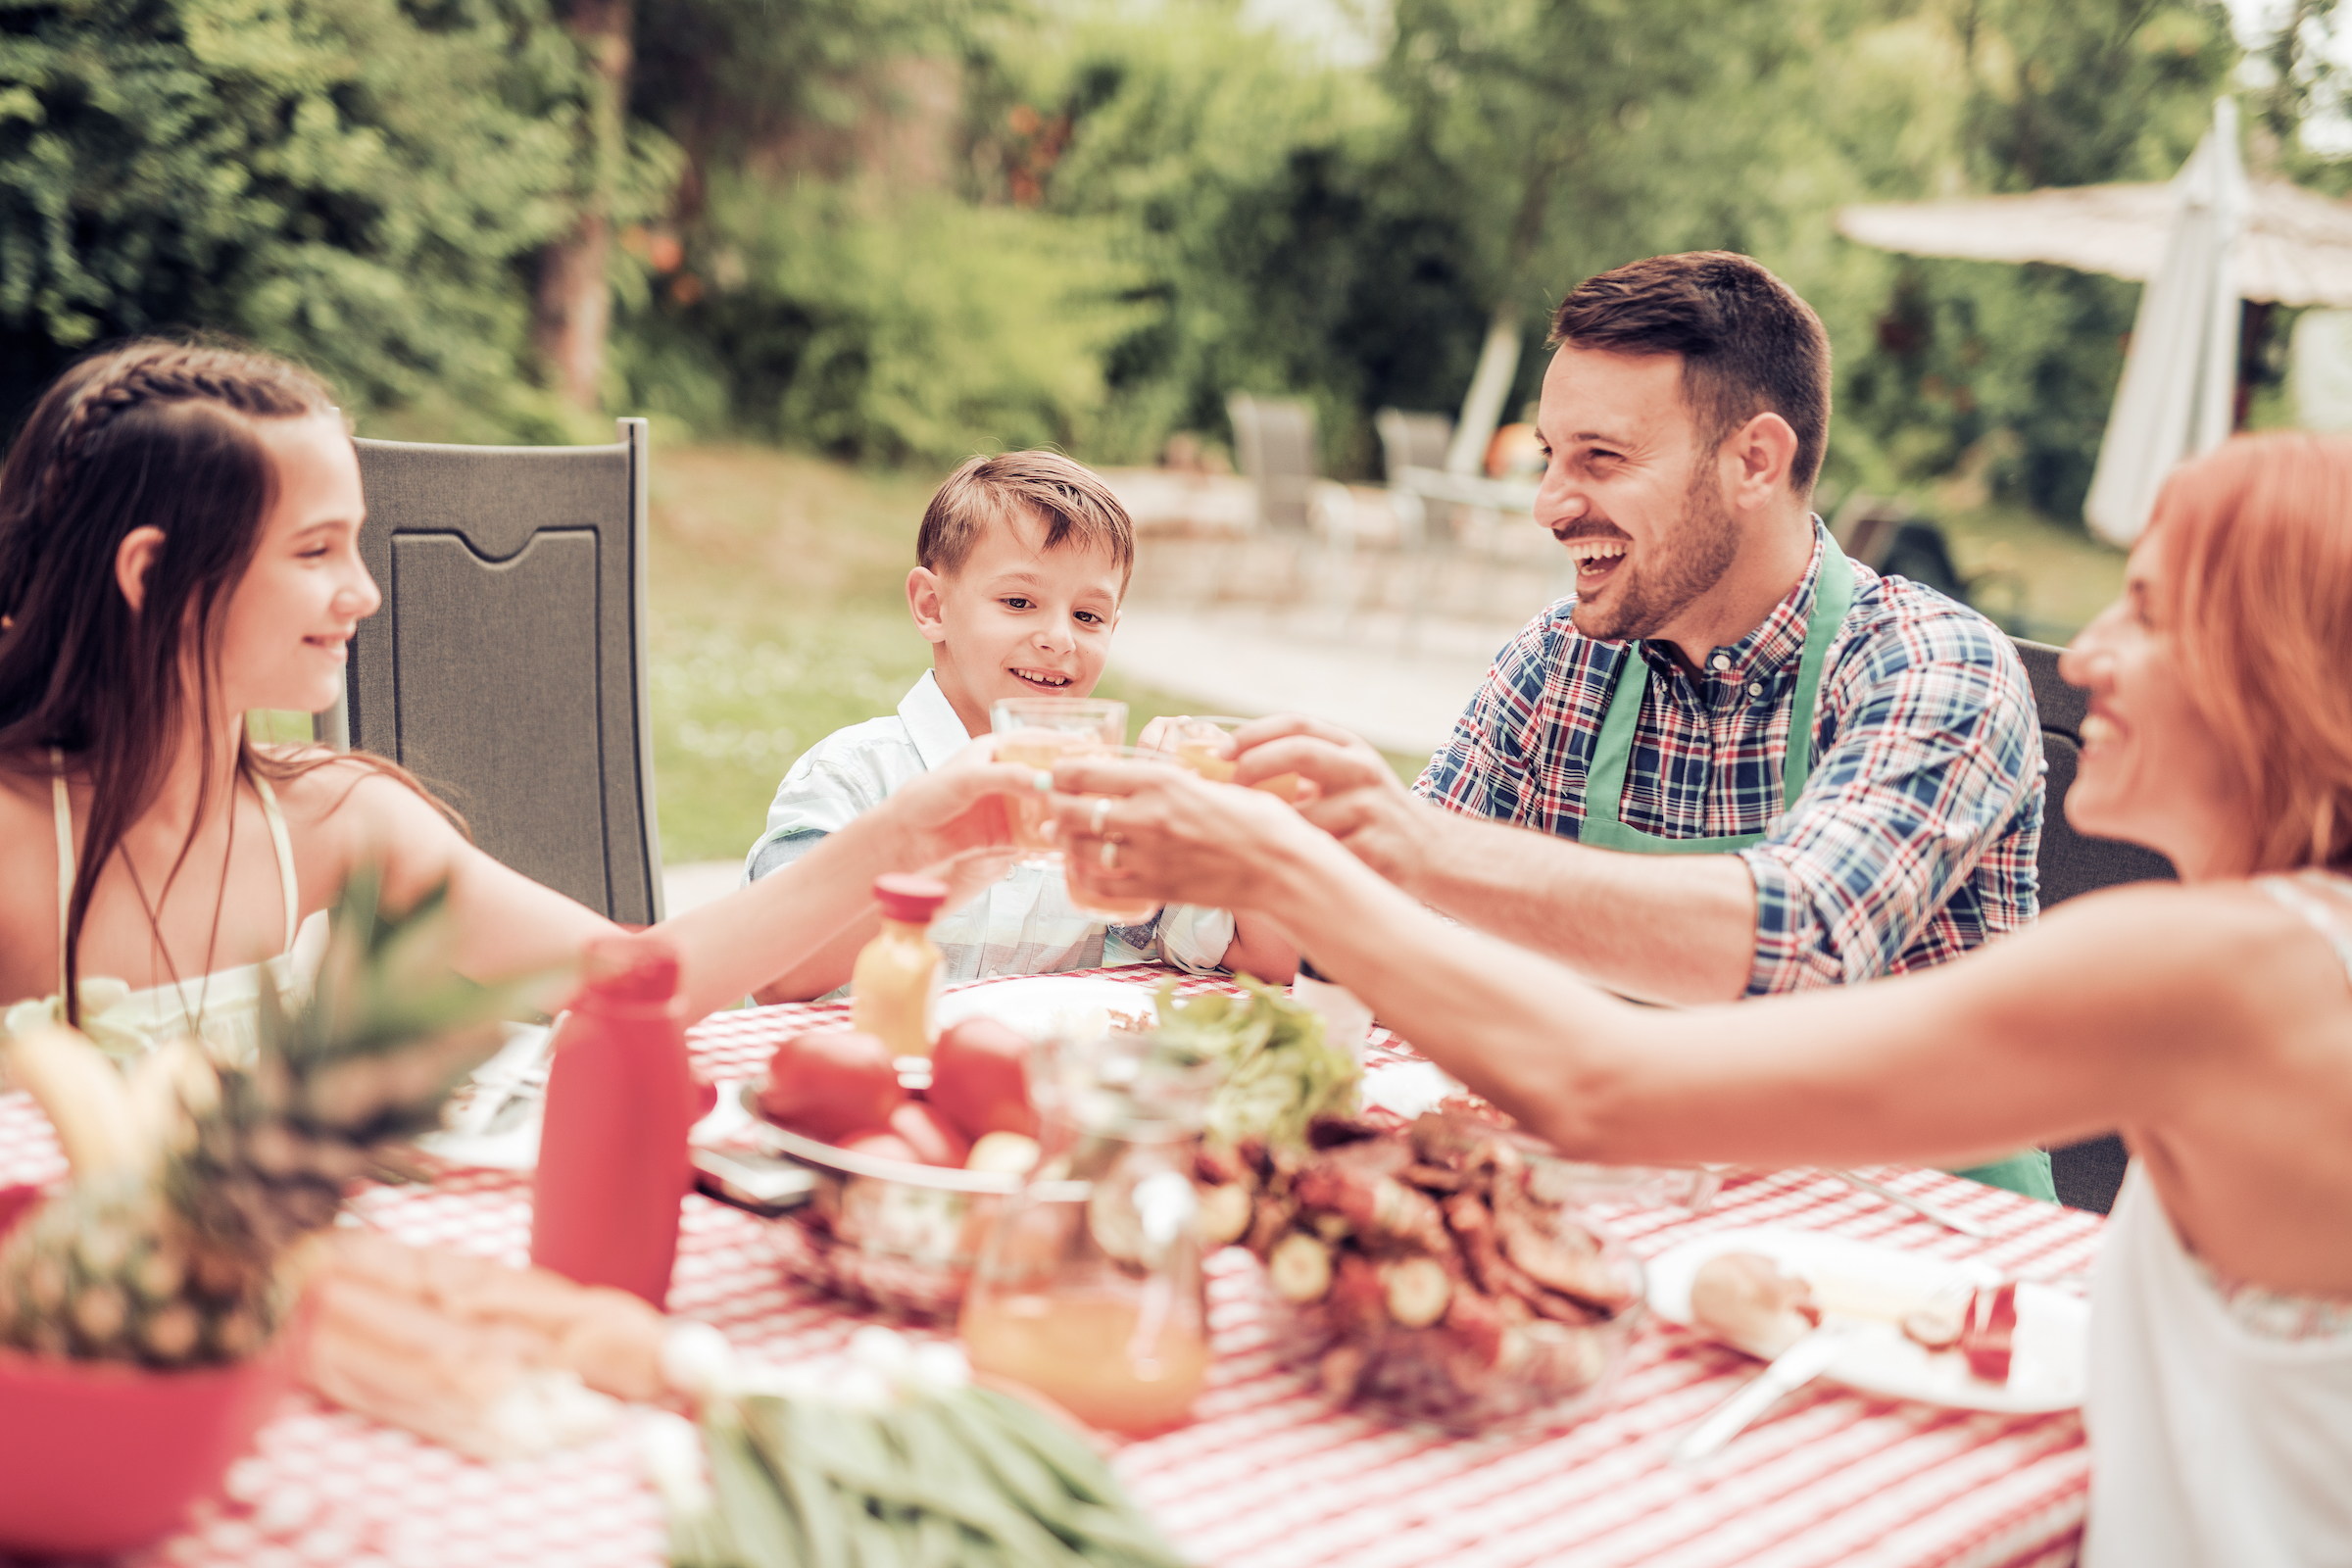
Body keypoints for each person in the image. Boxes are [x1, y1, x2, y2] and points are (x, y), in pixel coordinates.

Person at [1052, 432, 2352, 1567]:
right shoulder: (2290, 959)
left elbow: (1609, 1085)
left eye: (2148, 606)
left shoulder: (2220, 969)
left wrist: (1302, 861)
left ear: (2282, 662)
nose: (2092, 654)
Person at [1233, 251, 2051, 1198]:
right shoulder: (1565, 658)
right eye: (1549, 457)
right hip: (1657, 1203)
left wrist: (1410, 843)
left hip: (1929, 1252)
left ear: (1755, 461)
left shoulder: (1933, 663)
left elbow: (1797, 949)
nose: (1549, 505)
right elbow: (1383, 917)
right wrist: (1227, 855)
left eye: (1602, 459)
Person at [0, 341, 1041, 1056]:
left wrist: (909, 835)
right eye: (315, 550)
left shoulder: (336, 818)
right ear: (150, 574)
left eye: (354, 543)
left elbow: (640, 979)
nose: (363, 591)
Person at [741, 451, 1293, 1002]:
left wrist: (1230, 810)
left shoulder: (1107, 810)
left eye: (1088, 616)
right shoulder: (853, 777)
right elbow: (772, 969)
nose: (1060, 638)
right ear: (932, 606)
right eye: (1019, 601)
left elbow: (1272, 956)